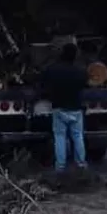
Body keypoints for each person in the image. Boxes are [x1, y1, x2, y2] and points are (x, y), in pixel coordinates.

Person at [39, 43, 88, 172]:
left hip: (59, 108)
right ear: (75, 55)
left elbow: (43, 83)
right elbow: (85, 84)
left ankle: (60, 166)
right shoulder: (80, 70)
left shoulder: (53, 69)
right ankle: (81, 164)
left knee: (60, 137)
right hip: (76, 108)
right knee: (78, 136)